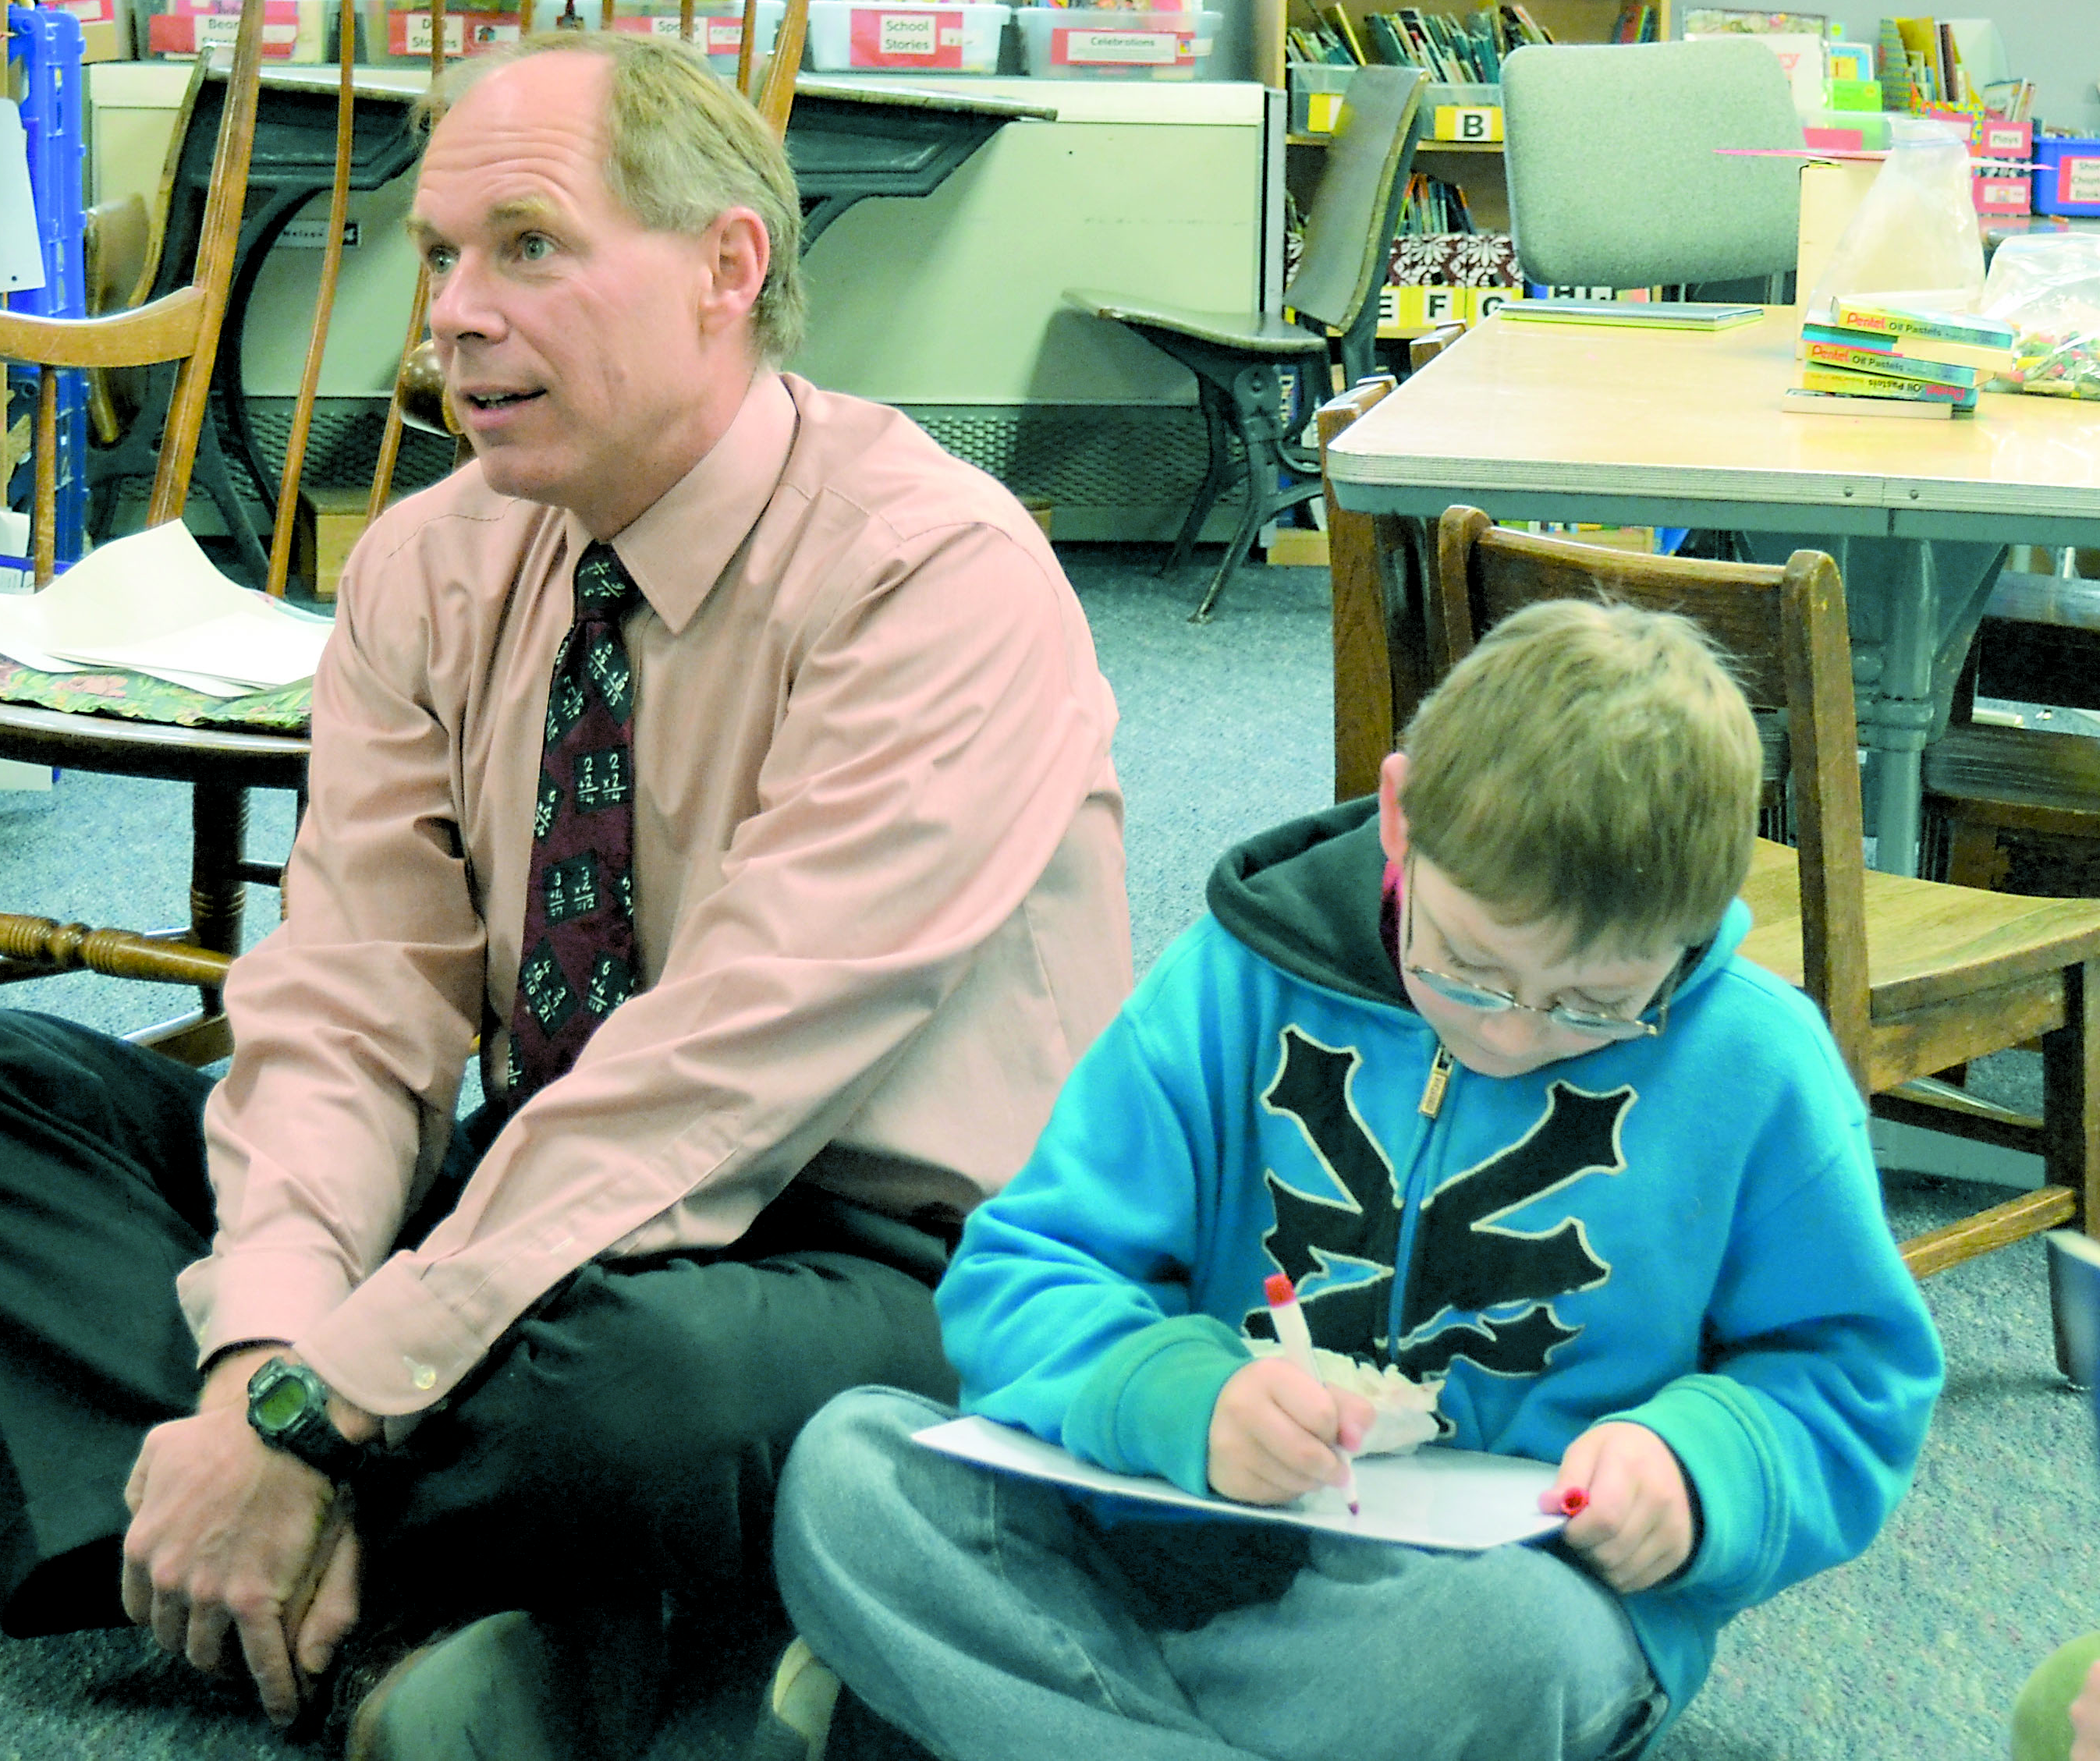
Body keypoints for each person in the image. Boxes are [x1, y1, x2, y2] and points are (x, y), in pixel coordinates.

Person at [0, 31, 1130, 1761]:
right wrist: (271, 1364)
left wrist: (315, 1406)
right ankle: (349, 1557)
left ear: (725, 268)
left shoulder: (934, 575)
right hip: (544, 1183)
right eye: (438, 254)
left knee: (630, 1395)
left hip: (876, 1247)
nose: (448, 310)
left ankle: (108, 1476)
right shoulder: (431, 560)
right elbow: (355, 997)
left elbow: (721, 1078)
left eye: (527, 246)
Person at [768, 597, 1946, 1761]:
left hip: (1491, 1596)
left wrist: (1701, 1465)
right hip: (1173, 1525)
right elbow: (1025, 1269)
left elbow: (1852, 1372)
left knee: (1512, 1653)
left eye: (1596, 1005)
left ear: (1691, 935)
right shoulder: (1238, 976)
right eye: (1472, 967)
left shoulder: (1759, 1062)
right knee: (848, 1471)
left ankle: (1011, 1710)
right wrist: (1188, 1395)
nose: (1517, 1033)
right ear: (1399, 816)